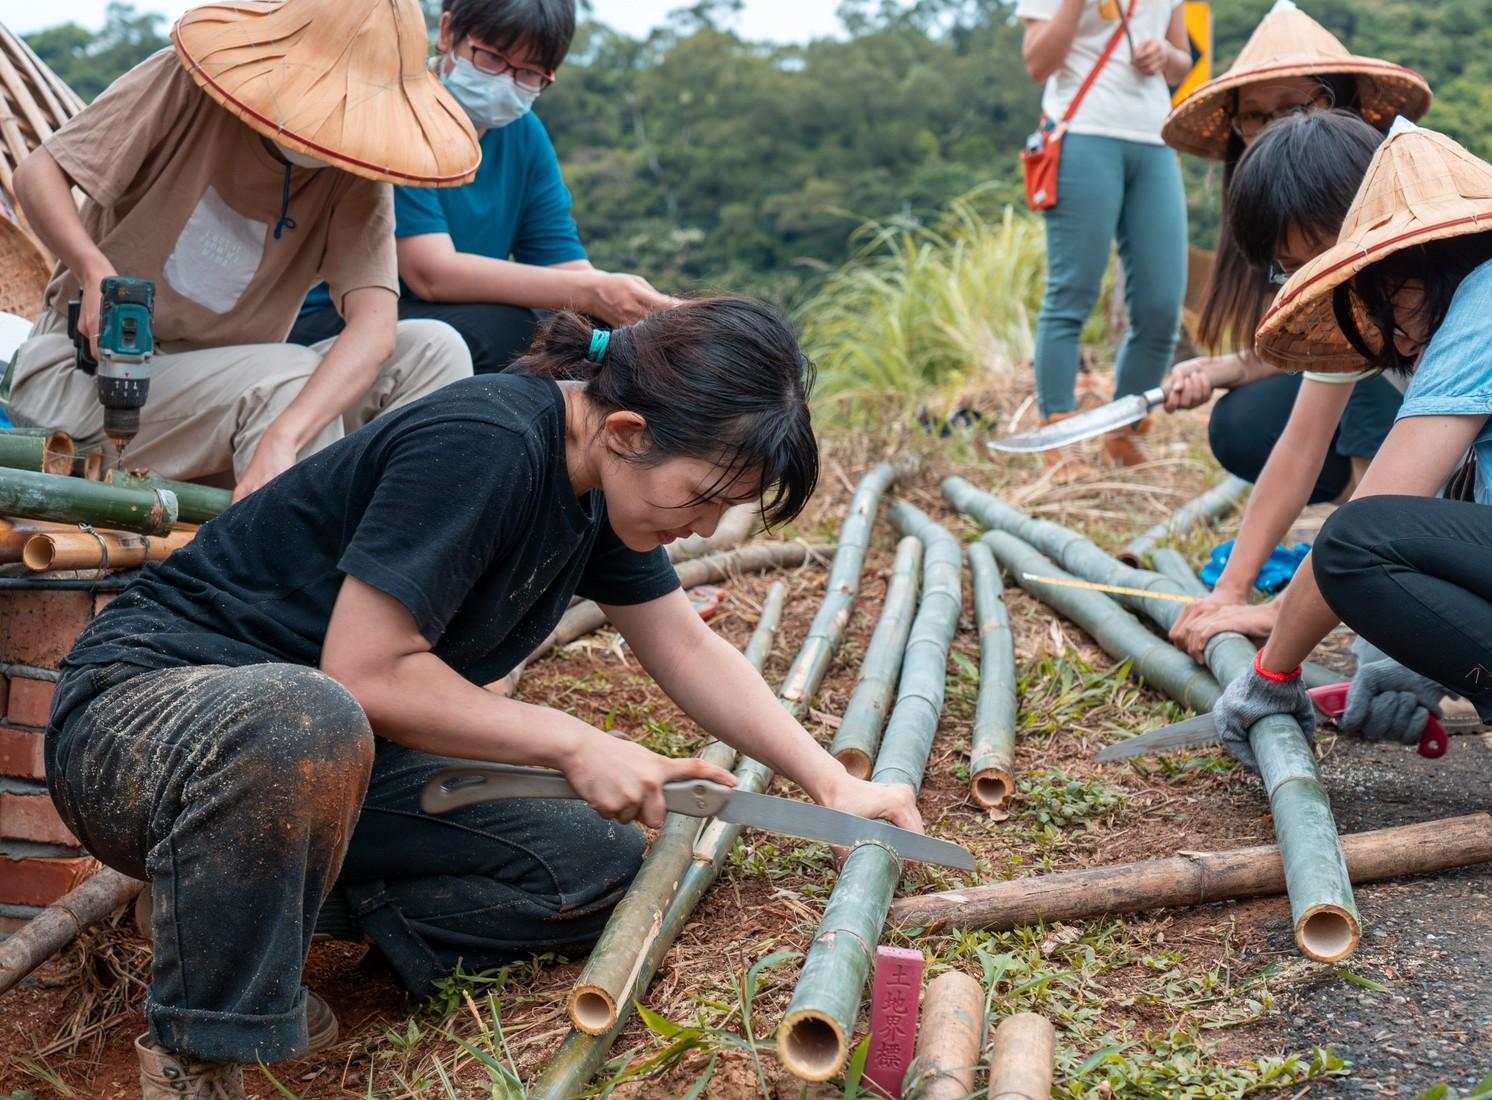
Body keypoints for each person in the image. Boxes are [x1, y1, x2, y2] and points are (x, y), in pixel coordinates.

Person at [45, 295, 923, 1097]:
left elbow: (687, 645)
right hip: (147, 721)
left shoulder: (599, 489)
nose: (701, 527)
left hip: (324, 758)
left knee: (596, 865)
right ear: (627, 430)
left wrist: (831, 783)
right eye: (701, 497)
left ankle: (219, 908)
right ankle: (201, 1050)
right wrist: (574, 740)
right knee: (303, 717)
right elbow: (367, 672)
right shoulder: (486, 441)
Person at [2, 0, 482, 501]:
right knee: (287, 379)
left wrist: (285, 436)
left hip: (238, 399)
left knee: (435, 351)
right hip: (89, 380)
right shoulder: (187, 83)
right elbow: (38, 174)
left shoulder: (354, 167)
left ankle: (396, 539)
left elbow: (375, 328)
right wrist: (93, 268)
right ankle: (280, 546)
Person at [1205, 119, 1492, 768]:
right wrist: (1415, 656)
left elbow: (1380, 511)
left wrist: (1271, 673)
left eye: (1384, 302)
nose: (1399, 341)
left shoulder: (1482, 304)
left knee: (1352, 541)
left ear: (1417, 262)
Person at [289, 0, 677, 375]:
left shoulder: (524, 134)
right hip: (340, 318)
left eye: (529, 74)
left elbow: (563, 265)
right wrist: (593, 290)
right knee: (511, 330)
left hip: (450, 316)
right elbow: (430, 273)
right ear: (447, 33)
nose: (505, 84)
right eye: (491, 58)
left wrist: (638, 305)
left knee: (589, 332)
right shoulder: (399, 112)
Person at [1159, 0, 1429, 501]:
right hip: (1368, 382)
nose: (1274, 127)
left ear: (1341, 102)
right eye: (1254, 116)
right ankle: (1366, 504)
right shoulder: (1269, 209)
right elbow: (1306, 342)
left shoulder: (1399, 192)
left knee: (1357, 343)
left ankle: (1383, 504)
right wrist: (1229, 367)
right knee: (1242, 422)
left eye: (1296, 107)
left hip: (1435, 401)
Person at [1169, 110, 1393, 656]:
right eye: (1291, 269)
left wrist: (1278, 615)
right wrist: (1230, 591)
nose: (1312, 283)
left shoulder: (1453, 305)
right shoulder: (1348, 305)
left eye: (1322, 257)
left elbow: (1394, 495)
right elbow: (1298, 447)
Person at [1017, 0, 1192, 474]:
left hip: (1155, 139)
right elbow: (1037, 63)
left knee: (1161, 305)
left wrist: (1165, 56)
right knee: (1071, 293)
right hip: (1082, 132)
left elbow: (1182, 62)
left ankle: (1126, 433)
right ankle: (1058, 434)